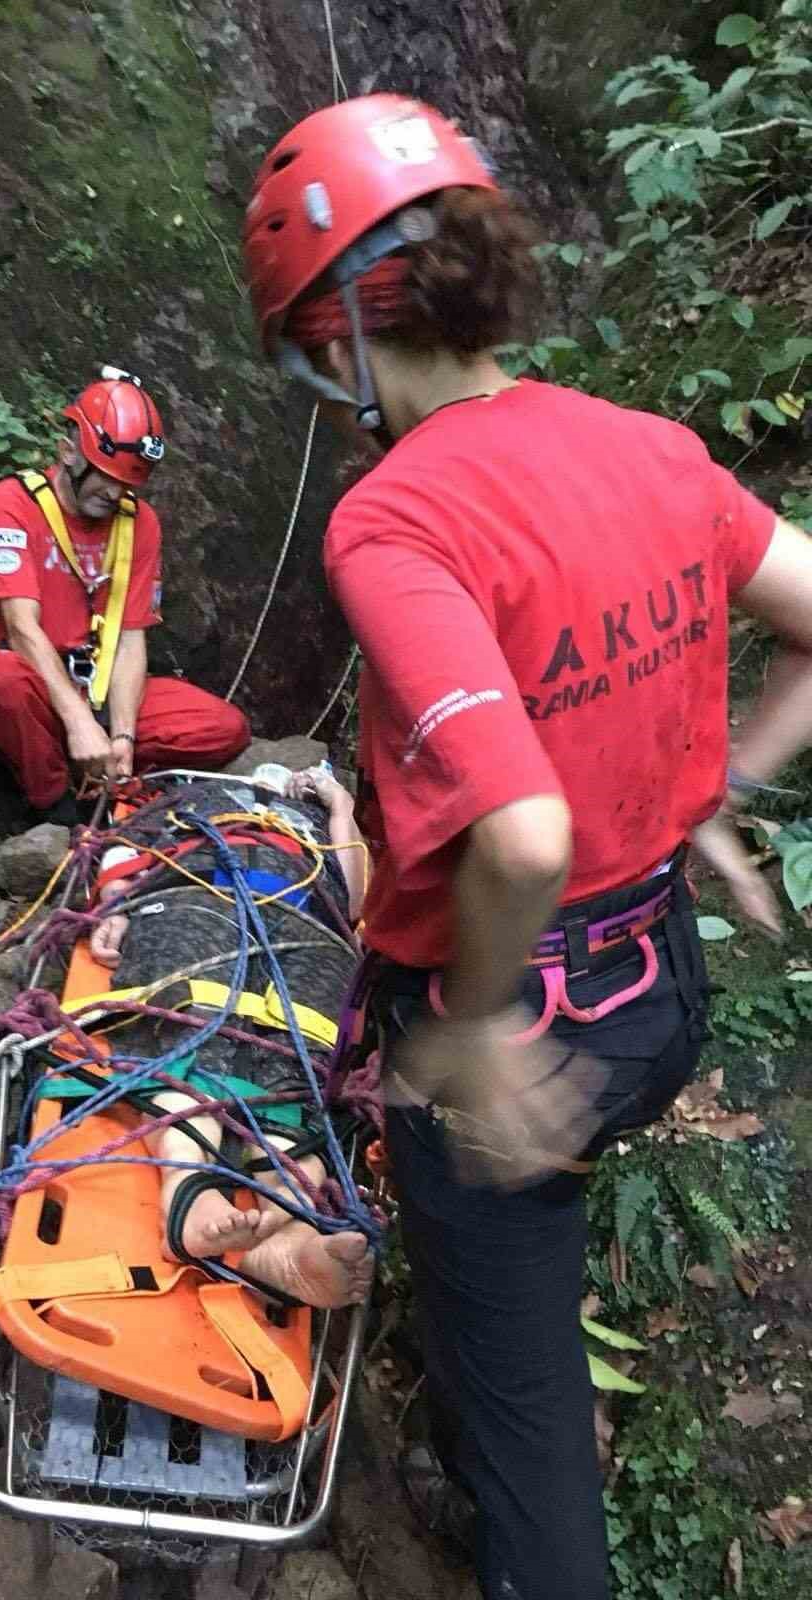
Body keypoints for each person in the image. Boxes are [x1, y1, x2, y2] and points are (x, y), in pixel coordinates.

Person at [243, 93, 812, 1600]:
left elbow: (524, 828)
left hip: (530, 1017)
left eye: (307, 350)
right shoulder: (650, 448)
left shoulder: (398, 521)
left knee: (527, 1416)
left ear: (345, 335)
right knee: (521, 1231)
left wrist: (481, 1026)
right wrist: (712, 787)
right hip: (659, 1003)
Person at [86, 765, 372, 1310]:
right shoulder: (194, 795)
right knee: (198, 1009)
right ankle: (188, 1191)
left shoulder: (322, 823)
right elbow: (123, 845)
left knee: (301, 1046)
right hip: (199, 886)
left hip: (310, 918)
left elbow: (354, 902)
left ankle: (291, 1226)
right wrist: (115, 907)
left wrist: (340, 808)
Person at [0, 368, 250, 825]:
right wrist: (76, 721)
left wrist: (124, 736)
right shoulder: (12, 503)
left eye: (128, 483)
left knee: (223, 728)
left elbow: (131, 639)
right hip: (30, 689)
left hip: (93, 688)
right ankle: (56, 810)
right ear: (68, 452)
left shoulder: (138, 523)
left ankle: (105, 773)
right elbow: (20, 628)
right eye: (105, 477)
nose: (114, 493)